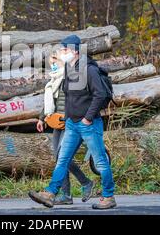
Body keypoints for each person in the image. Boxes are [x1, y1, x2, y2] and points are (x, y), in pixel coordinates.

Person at [29, 35, 116, 210]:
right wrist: (67, 118)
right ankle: (50, 193)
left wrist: (87, 118)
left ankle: (108, 196)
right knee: (62, 159)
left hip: (88, 124)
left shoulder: (88, 70)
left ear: (75, 51)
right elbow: (68, 96)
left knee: (100, 161)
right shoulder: (69, 68)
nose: (62, 53)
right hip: (72, 124)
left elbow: (99, 95)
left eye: (64, 49)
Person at [37, 53, 94, 205]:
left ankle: (85, 182)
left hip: (69, 121)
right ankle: (66, 195)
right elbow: (51, 101)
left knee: (63, 157)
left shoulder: (69, 77)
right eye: (51, 63)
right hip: (57, 122)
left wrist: (68, 117)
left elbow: (73, 100)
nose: (53, 66)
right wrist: (42, 118)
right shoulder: (54, 79)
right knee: (59, 157)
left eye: (55, 62)